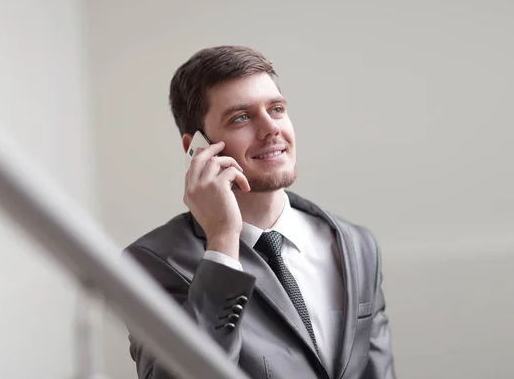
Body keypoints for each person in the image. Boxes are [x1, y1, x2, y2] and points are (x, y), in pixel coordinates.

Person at [123, 45, 396, 379]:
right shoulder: (152, 263)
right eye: (241, 117)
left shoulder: (355, 244)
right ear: (195, 147)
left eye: (277, 109)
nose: (271, 129)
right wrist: (222, 242)